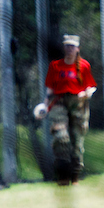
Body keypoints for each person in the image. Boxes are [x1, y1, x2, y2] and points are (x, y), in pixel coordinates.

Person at [34, 34, 97, 185]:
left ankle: (75, 176)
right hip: (59, 103)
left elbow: (91, 87)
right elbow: (50, 89)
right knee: (61, 137)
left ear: (78, 49)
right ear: (64, 48)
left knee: (77, 142)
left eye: (72, 46)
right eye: (67, 46)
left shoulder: (84, 66)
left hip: (78, 104)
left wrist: (86, 93)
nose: (69, 49)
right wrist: (45, 106)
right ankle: (62, 176)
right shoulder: (55, 66)